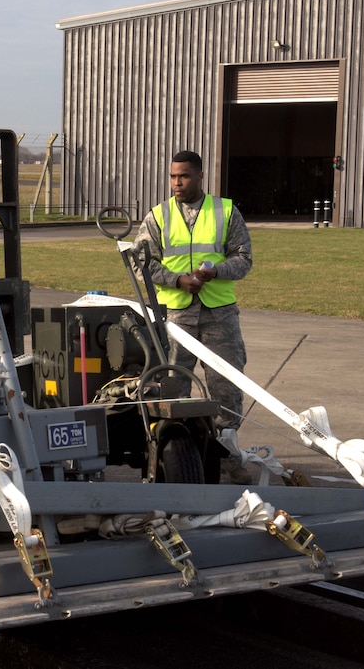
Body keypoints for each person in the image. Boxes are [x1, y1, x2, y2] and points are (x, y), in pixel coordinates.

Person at [135, 150, 254, 485]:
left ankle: (227, 456)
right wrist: (177, 280)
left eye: (184, 176)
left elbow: (244, 259)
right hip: (175, 315)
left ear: (200, 176)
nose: (177, 183)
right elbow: (140, 262)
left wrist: (216, 271)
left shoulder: (225, 212)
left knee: (226, 387)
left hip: (220, 315)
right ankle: (173, 457)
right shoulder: (158, 216)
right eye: (173, 176)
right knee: (172, 388)